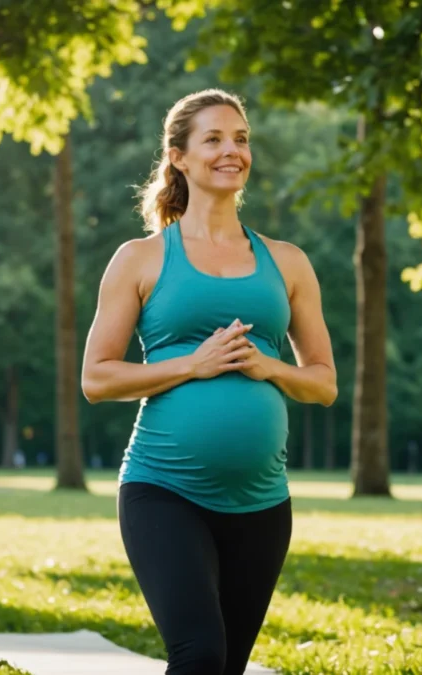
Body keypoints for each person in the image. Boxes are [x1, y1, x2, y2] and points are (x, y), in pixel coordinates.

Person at [81, 88, 337, 675]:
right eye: (215, 138)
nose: (233, 150)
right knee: (199, 655)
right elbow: (96, 377)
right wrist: (192, 365)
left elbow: (323, 383)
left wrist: (269, 366)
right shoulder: (140, 259)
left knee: (227, 667)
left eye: (241, 138)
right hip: (163, 491)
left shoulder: (288, 262)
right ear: (178, 156)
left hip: (262, 503)